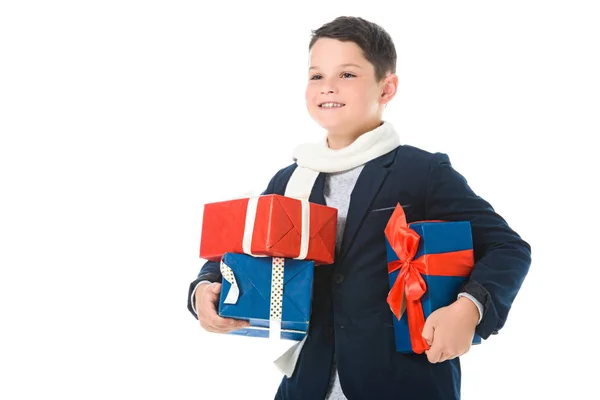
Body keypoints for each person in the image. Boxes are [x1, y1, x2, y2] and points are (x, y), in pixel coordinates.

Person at [187, 16, 531, 400]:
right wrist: (205, 287)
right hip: (307, 385)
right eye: (316, 76)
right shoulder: (290, 180)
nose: (328, 86)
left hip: (405, 385)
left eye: (347, 74)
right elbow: (238, 251)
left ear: (387, 88)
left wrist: (469, 308)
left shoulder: (422, 171)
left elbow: (508, 248)